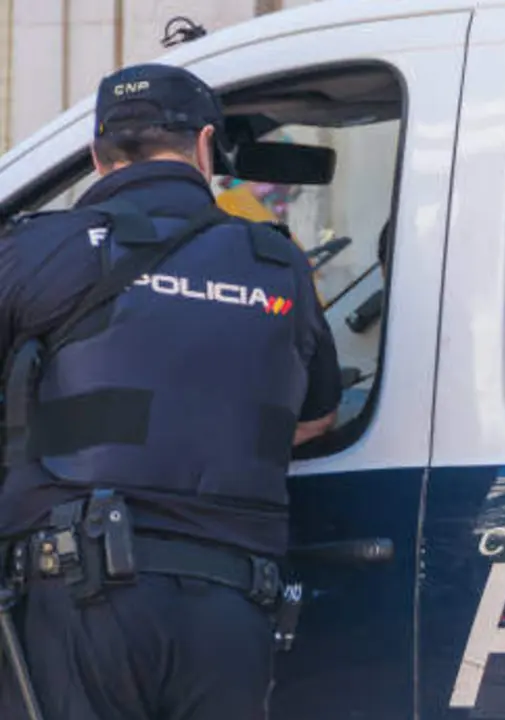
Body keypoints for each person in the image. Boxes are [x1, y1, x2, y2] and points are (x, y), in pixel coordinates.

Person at [0, 62, 341, 719]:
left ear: (99, 155)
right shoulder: (278, 264)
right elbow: (316, 419)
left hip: (77, 597)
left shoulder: (39, 250)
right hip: (232, 605)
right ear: (206, 146)